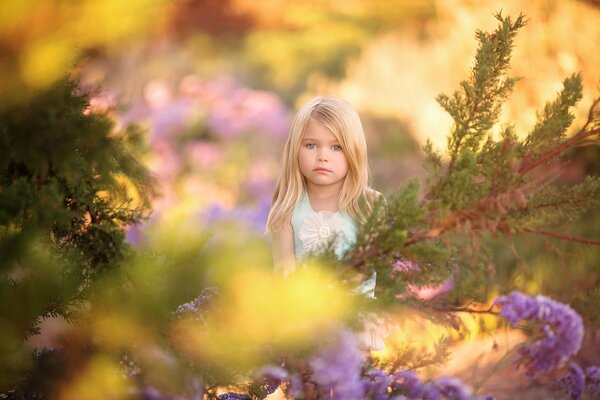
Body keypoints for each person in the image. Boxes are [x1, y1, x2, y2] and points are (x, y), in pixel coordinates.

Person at [266, 95, 380, 308]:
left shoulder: (368, 204)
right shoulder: (287, 209)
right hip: (303, 317)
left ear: (353, 152)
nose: (322, 156)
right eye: (311, 145)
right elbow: (283, 273)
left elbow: (372, 268)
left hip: (356, 317)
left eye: (336, 147)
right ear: (295, 150)